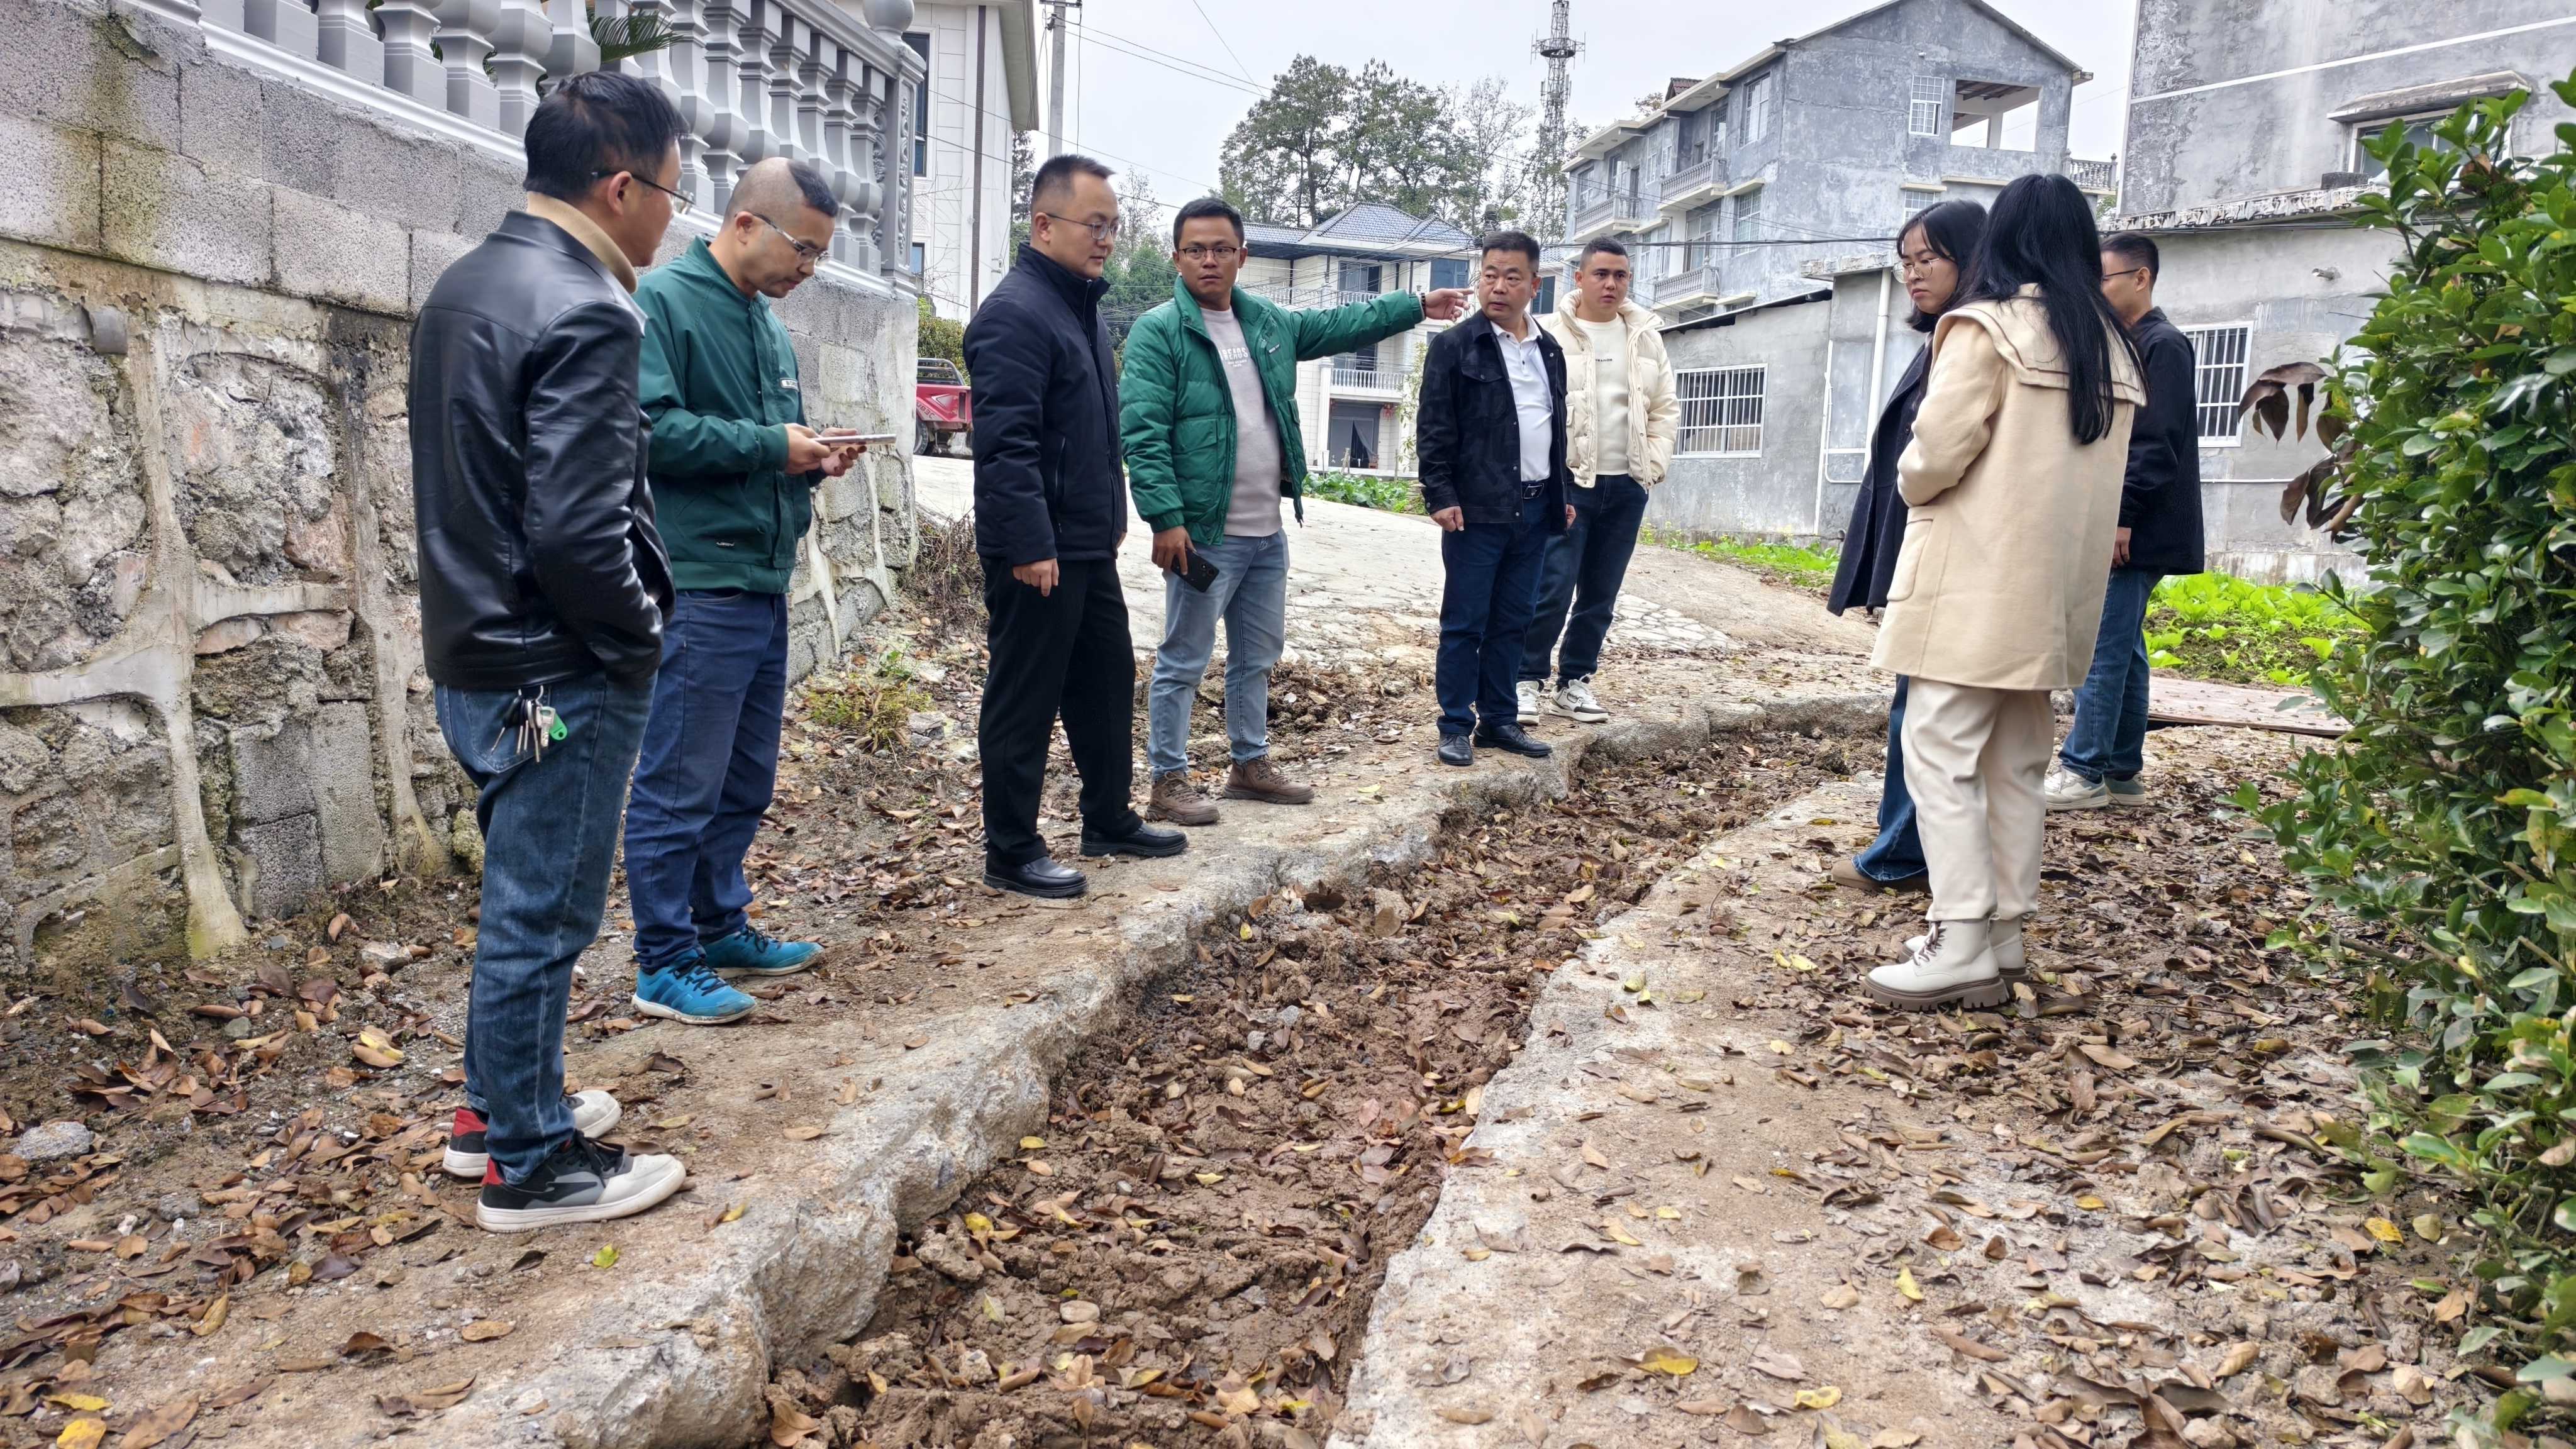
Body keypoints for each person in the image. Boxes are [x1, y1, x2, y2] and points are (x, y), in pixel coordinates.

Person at [410, 71, 689, 1230]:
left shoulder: (466, 283)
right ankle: (531, 1163)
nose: (672, 218)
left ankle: (493, 1113)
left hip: (477, 654)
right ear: (620, 187)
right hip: (558, 665)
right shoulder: (589, 307)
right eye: (673, 193)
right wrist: (639, 636)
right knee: (545, 913)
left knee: (519, 896)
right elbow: (579, 530)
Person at [1862, 174, 2145, 1012]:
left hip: (1974, 580)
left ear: (2003, 240)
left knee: (1938, 750)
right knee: (2016, 761)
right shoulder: (2109, 342)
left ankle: (1956, 939)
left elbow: (1933, 455)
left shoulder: (1988, 329)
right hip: (2055, 592)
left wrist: (1910, 481)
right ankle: (2003, 934)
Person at [1122, 197, 1467, 826]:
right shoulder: (1159, 331)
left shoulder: (1267, 324)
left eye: (1221, 249)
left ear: (1242, 256)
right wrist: (1165, 518)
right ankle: (1167, 780)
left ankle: (1248, 765)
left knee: (1257, 656)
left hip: (1265, 533)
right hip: (1203, 534)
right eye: (1195, 249)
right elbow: (1142, 434)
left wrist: (1417, 305)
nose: (1208, 260)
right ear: (1176, 258)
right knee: (1183, 660)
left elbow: (1344, 324)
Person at [619, 158, 867, 1026]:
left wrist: (811, 457)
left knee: (744, 779)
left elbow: (761, 443)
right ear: (746, 224)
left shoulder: (766, 324)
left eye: (820, 255)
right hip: (698, 582)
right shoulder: (663, 303)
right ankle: (663, 960)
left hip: (762, 581)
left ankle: (719, 927)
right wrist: (771, 447)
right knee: (679, 782)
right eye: (804, 248)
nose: (810, 268)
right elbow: (649, 431)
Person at [968, 153, 1184, 898]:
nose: (1106, 240)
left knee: (1105, 680)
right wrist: (1030, 542)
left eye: (1113, 226)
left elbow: (1093, 431)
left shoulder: (1079, 308)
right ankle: (1011, 850)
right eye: (1094, 225)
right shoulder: (1015, 313)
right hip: (1038, 550)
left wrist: (1111, 515)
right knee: (1025, 696)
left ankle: (1108, 818)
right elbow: (1006, 445)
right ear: (1043, 225)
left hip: (1086, 542)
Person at [1823, 201, 1989, 897]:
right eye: (1906, 262)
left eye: (1928, 259)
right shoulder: (1946, 337)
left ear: (1971, 258)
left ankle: (1902, 853)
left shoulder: (1973, 338)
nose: (1913, 275)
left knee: (1921, 714)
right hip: (1933, 545)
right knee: (1921, 708)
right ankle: (1910, 847)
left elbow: (1933, 459)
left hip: (1952, 551)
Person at [2045, 231, 2207, 811]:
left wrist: (2121, 517)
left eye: (2104, 279)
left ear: (2141, 278)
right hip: (2135, 522)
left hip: (2137, 524)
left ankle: (2082, 769)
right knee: (2125, 645)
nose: (2096, 290)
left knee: (2100, 645)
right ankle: (2119, 771)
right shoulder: (2130, 343)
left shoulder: (2163, 345)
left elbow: (2155, 442)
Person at [1417, 230, 1574, 768]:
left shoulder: (1549, 349)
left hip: (1535, 507)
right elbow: (1434, 429)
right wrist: (1440, 494)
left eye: (1512, 277)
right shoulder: (1455, 347)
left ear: (1534, 285)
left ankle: (1500, 721)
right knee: (1465, 622)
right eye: (1490, 275)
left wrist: (1561, 491)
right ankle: (1455, 725)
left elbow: (1554, 428)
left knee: (1515, 619)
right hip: (1476, 510)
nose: (1498, 287)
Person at [1516, 238, 1677, 727]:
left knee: (1600, 595)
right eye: (1601, 274)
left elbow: (1664, 408)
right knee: (1552, 587)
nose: (1611, 284)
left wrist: (1652, 464)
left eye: (1620, 275)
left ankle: (1575, 683)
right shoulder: (1546, 333)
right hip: (1566, 485)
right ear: (1579, 278)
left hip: (1627, 485)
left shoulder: (1645, 336)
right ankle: (1525, 680)